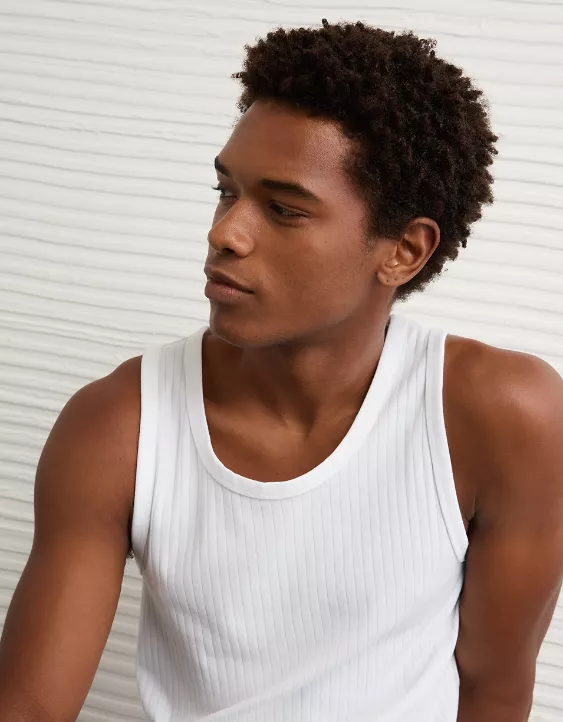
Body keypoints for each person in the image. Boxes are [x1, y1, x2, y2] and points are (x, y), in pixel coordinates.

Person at [1, 17, 562, 722]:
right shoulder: (118, 425)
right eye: (225, 191)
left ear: (403, 252)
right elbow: (28, 705)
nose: (224, 233)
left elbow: (494, 690)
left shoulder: (502, 415)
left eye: (283, 209)